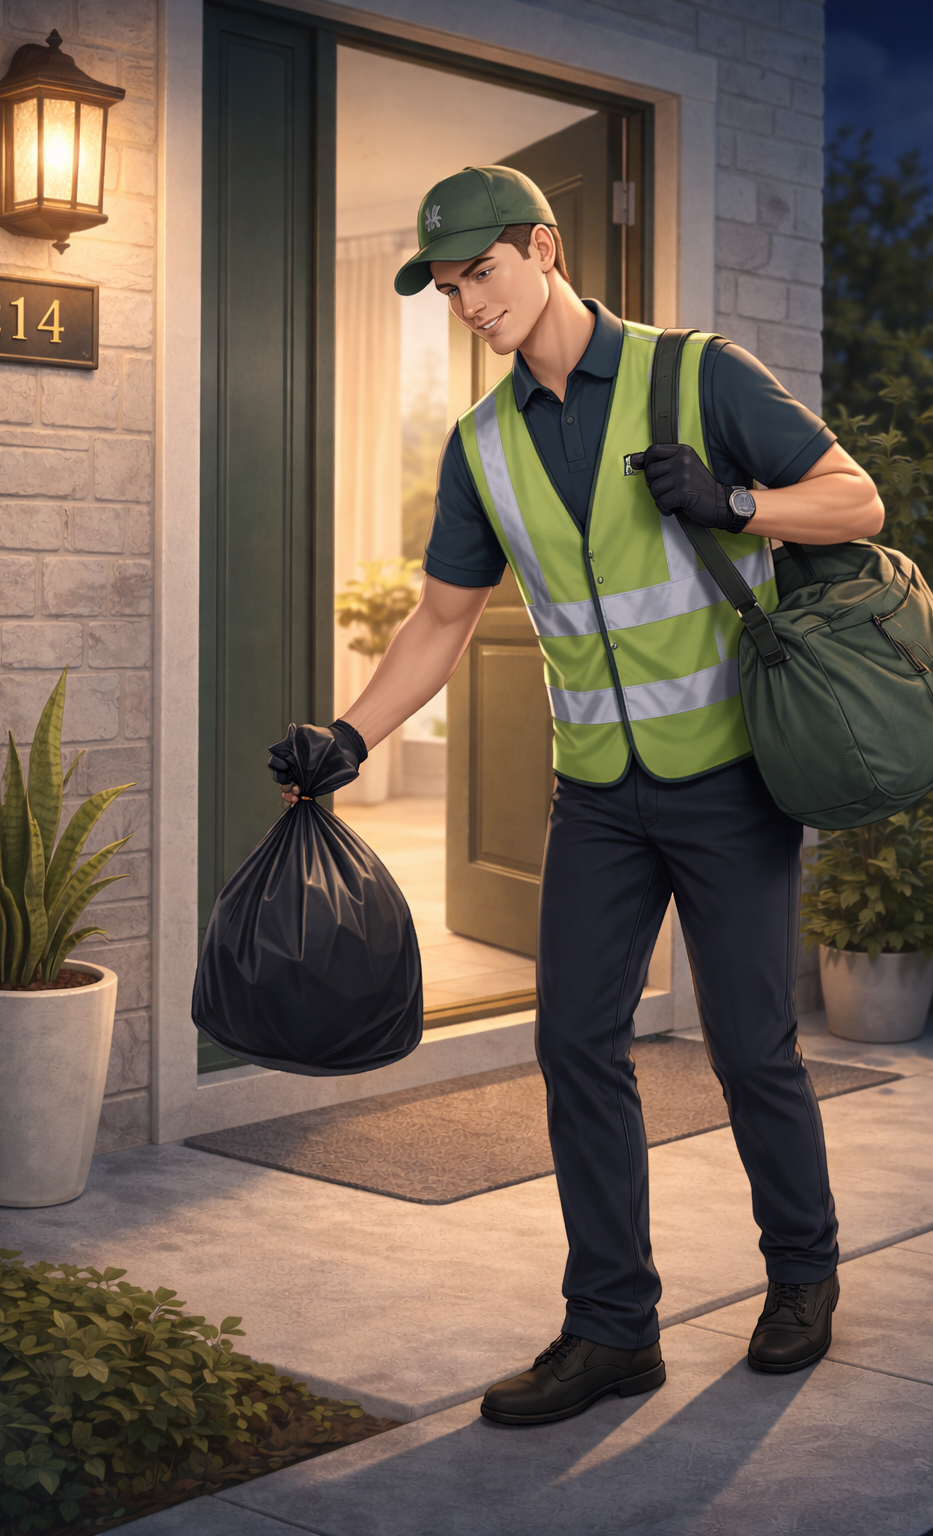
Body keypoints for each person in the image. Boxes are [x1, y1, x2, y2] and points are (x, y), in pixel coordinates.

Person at [268, 166, 884, 1427]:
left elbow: (857, 500)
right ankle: (612, 1330)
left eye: (479, 275)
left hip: (729, 781)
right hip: (598, 795)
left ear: (541, 248)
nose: (468, 306)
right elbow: (445, 617)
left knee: (751, 1044)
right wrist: (349, 734)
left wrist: (738, 504)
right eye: (446, 289)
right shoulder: (482, 442)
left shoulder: (694, 373)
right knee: (572, 1046)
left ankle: (802, 1277)